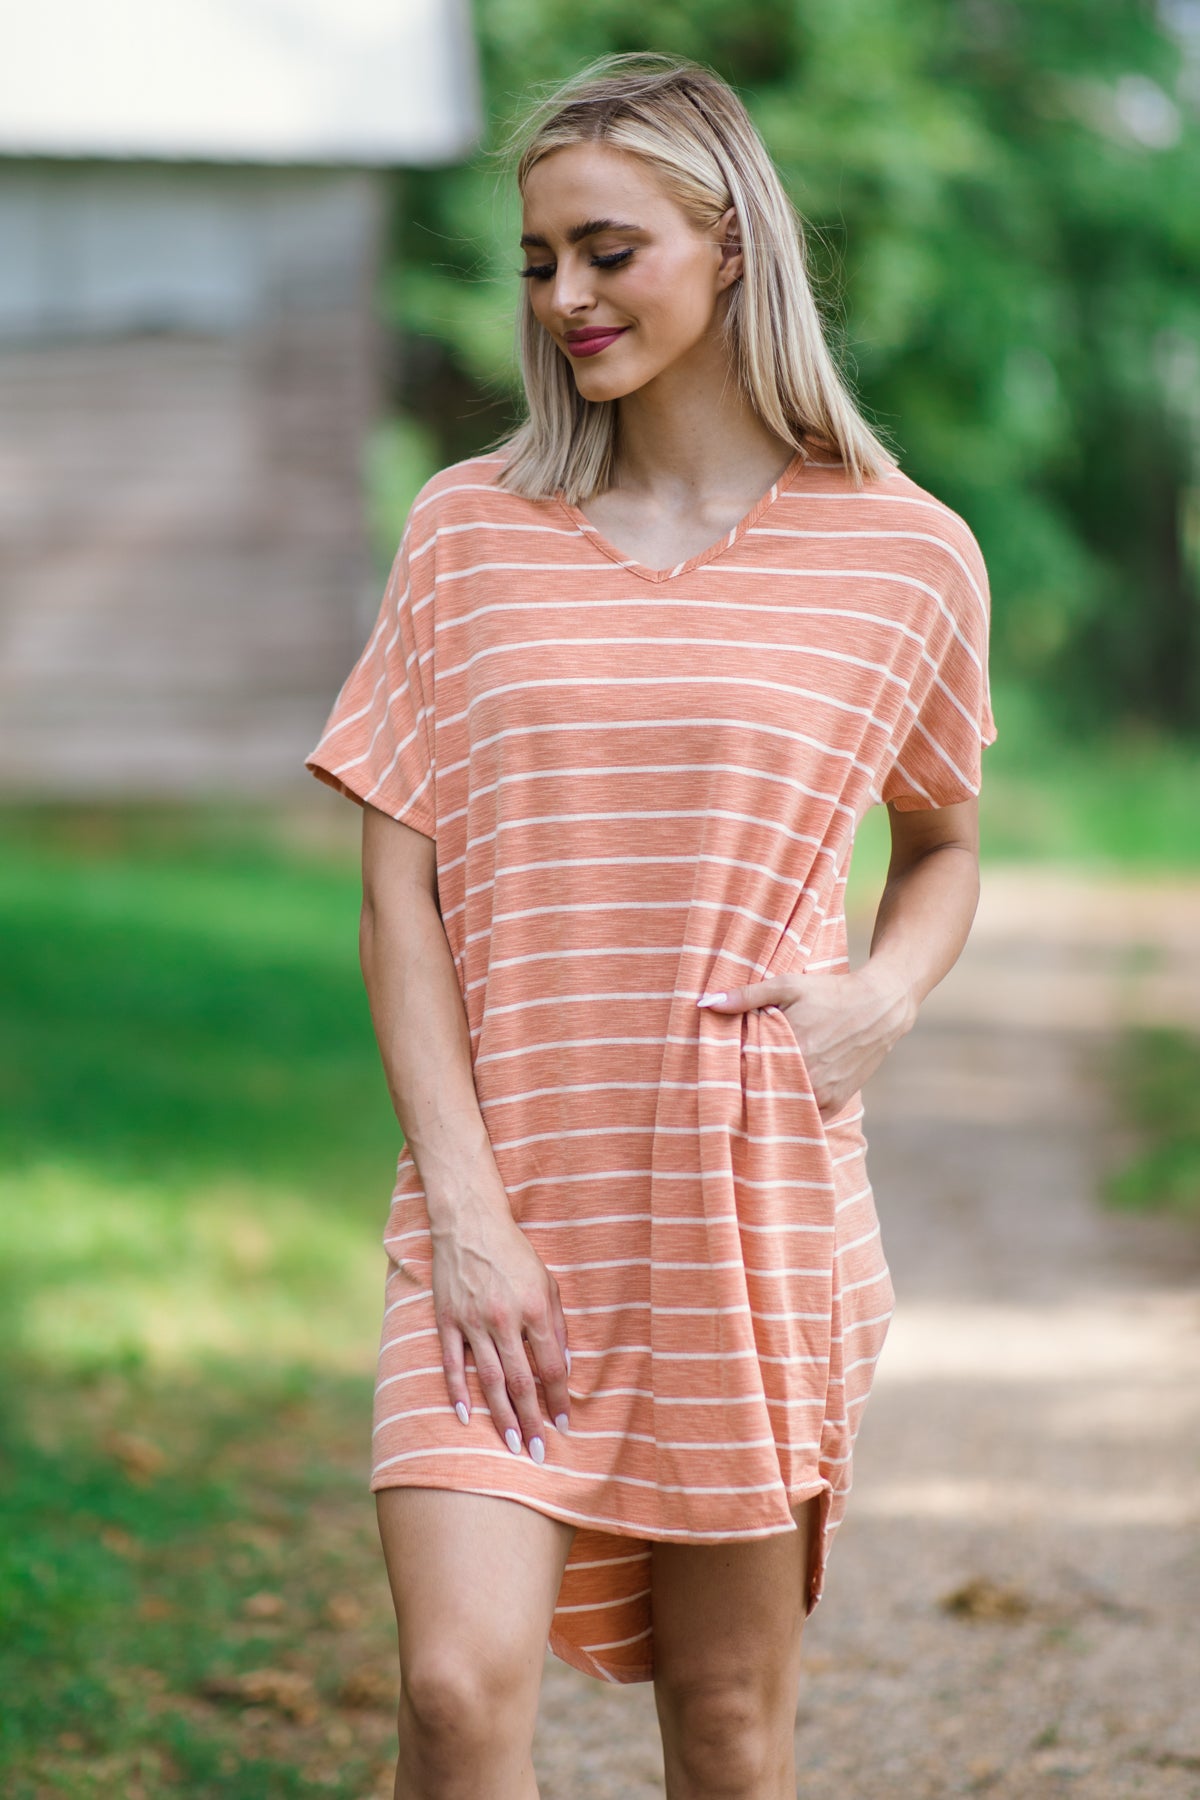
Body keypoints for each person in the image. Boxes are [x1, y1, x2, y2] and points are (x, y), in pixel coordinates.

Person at [305, 49, 996, 1800]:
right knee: (459, 1692)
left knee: (727, 1727)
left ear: (731, 243)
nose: (564, 299)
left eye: (607, 250)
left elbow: (942, 845)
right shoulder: (470, 531)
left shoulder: (907, 555)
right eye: (539, 261)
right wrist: (464, 1205)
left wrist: (885, 1000)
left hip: (743, 1204)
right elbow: (399, 874)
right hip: (502, 1210)